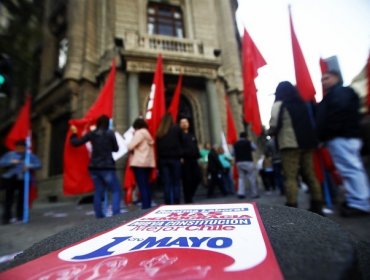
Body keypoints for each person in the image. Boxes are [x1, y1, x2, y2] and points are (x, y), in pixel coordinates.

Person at [317, 70, 370, 216]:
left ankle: (360, 202)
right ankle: (357, 199)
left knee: (351, 169)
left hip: (342, 136)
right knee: (349, 169)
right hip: (341, 136)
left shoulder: (340, 93)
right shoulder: (337, 93)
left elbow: (338, 114)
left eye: (326, 78)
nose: (323, 81)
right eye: (322, 79)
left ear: (336, 78)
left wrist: (328, 132)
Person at [269, 81, 324, 215]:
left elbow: (274, 124)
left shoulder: (279, 104)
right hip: (307, 143)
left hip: (290, 144)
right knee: (310, 174)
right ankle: (318, 204)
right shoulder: (302, 104)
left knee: (290, 176)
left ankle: (292, 206)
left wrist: (269, 133)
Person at [70, 114, 122, 218]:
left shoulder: (92, 134)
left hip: (94, 167)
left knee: (98, 191)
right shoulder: (110, 133)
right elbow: (116, 149)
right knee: (116, 190)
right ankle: (116, 214)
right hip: (107, 167)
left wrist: (74, 133)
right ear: (107, 123)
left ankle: (99, 215)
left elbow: (76, 143)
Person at [0, 140, 41, 224]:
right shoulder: (10, 155)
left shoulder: (30, 156)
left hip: (24, 179)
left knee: (22, 198)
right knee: (8, 198)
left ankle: (20, 216)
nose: (20, 149)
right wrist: (11, 162)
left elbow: (39, 165)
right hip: (10, 178)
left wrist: (29, 166)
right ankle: (6, 217)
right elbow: (1, 163)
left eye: (22, 148)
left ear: (25, 148)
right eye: (18, 147)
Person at [127, 118, 155, 209]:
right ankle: (148, 205)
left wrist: (128, 142)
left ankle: (145, 207)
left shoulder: (139, 133)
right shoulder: (148, 134)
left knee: (142, 186)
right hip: (148, 163)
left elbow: (130, 146)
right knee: (146, 185)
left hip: (139, 163)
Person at [156, 113, 184, 204]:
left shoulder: (160, 131)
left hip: (163, 160)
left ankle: (168, 203)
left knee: (166, 183)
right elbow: (182, 142)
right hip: (175, 159)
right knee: (176, 182)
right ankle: (176, 203)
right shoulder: (176, 129)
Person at [179, 117, 202, 203]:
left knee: (197, 177)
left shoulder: (192, 135)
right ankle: (188, 198)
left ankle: (190, 194)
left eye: (186, 122)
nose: (184, 124)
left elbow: (195, 146)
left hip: (194, 159)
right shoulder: (180, 136)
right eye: (182, 122)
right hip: (185, 160)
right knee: (187, 180)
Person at [233, 131, 259, 199]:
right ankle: (254, 193)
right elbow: (255, 148)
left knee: (241, 178)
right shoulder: (248, 142)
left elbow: (232, 153)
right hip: (248, 161)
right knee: (251, 177)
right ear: (246, 136)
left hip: (239, 162)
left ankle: (241, 193)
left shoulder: (235, 144)